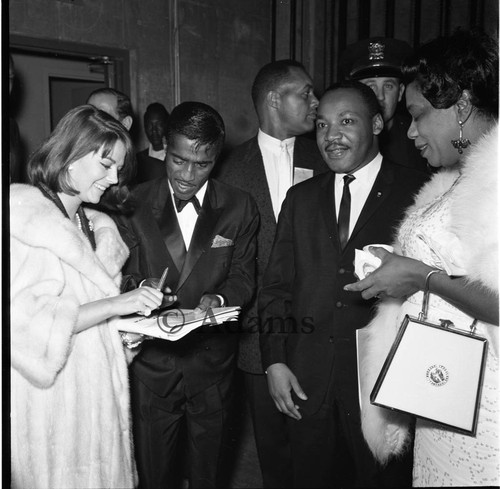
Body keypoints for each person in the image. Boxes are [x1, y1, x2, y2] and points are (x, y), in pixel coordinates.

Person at [344, 28, 499, 487]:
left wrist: (418, 276)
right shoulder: (455, 176)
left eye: (419, 115)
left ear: (463, 105)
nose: (409, 130)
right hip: (442, 393)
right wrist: (398, 261)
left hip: (484, 404)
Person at [258, 80, 429, 488]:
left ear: (375, 124)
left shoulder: (417, 190)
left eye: (346, 121)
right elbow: (276, 289)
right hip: (307, 385)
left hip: (383, 390)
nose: (331, 136)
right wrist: (275, 361)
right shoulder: (300, 199)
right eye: (321, 125)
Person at [10, 105, 170, 488]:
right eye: (105, 164)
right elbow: (26, 328)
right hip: (53, 417)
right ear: (69, 157)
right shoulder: (30, 224)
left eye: (118, 167)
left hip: (96, 405)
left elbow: (90, 318)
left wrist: (129, 331)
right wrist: (119, 304)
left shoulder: (92, 223)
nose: (114, 177)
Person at [113, 101, 259, 489]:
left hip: (213, 367)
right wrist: (138, 291)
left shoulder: (240, 206)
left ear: (218, 156)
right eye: (178, 161)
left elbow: (244, 275)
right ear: (164, 145)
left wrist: (222, 300)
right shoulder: (132, 203)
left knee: (211, 474)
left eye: (202, 164)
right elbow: (115, 279)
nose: (187, 175)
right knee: (154, 476)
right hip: (152, 368)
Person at [216, 59, 327, 488]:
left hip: (323, 330)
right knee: (274, 452)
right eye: (306, 93)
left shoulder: (329, 156)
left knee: (321, 449)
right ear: (274, 100)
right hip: (255, 337)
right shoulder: (228, 169)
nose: (315, 103)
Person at [340, 37, 428, 172]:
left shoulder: (420, 138)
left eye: (388, 86)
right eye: (371, 86)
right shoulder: (340, 138)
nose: (380, 96)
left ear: (400, 93)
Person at [135, 102, 170, 184]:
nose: (154, 130)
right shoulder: (138, 160)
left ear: (166, 125)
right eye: (149, 125)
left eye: (159, 125)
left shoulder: (175, 157)